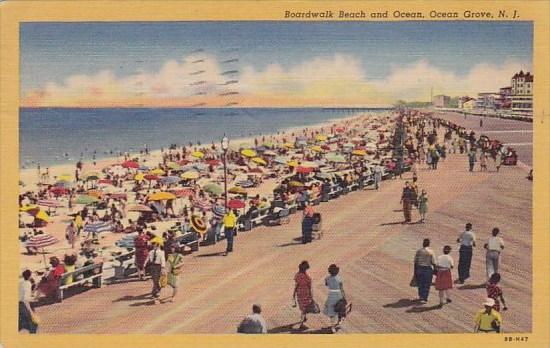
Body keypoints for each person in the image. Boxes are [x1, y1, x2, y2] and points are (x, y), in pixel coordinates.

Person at [323, 264, 346, 333]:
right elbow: (342, 289)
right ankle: (339, 321)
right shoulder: (339, 278)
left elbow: (326, 284)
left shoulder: (327, 278)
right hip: (338, 294)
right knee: (340, 307)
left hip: (331, 294)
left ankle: (332, 327)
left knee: (331, 311)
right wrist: (344, 297)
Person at [413, 239, 436, 304]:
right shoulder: (431, 252)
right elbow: (434, 262)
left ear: (423, 243)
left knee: (420, 283)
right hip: (428, 269)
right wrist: (435, 270)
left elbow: (415, 262)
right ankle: (425, 298)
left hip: (419, 268)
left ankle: (421, 296)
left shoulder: (419, 251)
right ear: (429, 244)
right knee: (427, 284)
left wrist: (415, 271)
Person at [293, 261, 313, 329]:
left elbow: (296, 285)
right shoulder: (307, 278)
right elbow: (309, 288)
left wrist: (293, 294)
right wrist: (311, 296)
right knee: (305, 309)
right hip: (305, 294)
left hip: (299, 293)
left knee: (302, 308)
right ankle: (302, 323)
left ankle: (304, 318)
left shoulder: (297, 275)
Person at [19, 269, 38, 334]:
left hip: (20, 303)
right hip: (22, 305)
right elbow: (25, 300)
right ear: (30, 276)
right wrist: (30, 312)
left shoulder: (22, 282)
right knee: (34, 323)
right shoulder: (27, 285)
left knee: (22, 323)